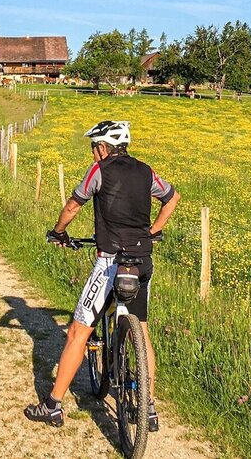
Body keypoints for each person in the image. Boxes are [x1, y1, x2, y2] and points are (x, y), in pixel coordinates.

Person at [24, 120, 180, 430]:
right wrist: (152, 232)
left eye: (94, 146)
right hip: (142, 260)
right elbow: (172, 198)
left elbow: (72, 206)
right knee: (143, 332)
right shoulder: (146, 171)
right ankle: (147, 408)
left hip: (111, 262)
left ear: (103, 147)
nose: (93, 152)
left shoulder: (99, 171)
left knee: (77, 333)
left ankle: (53, 405)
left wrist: (58, 232)